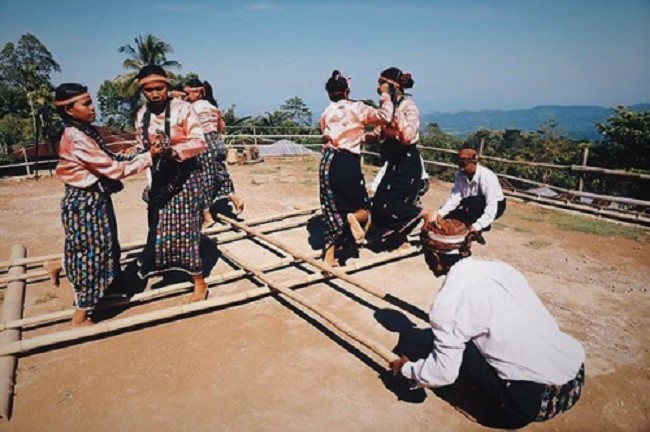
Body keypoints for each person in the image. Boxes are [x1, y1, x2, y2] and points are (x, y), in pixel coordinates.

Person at [388, 218, 585, 428]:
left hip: (533, 402)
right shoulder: (502, 270)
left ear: (435, 257)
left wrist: (407, 369)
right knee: (453, 338)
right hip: (574, 378)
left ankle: (498, 402)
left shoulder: (448, 302)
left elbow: (443, 374)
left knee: (443, 353)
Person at [47, 83, 162, 326]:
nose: (92, 108)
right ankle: (82, 314)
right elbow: (113, 169)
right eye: (86, 103)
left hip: (94, 200)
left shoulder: (86, 131)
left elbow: (111, 157)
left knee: (99, 248)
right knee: (93, 255)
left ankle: (59, 265)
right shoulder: (76, 138)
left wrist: (142, 152)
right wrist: (148, 158)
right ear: (69, 110)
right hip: (84, 203)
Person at [135, 65, 209, 303]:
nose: (155, 94)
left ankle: (199, 281)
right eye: (149, 90)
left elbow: (199, 141)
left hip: (185, 176)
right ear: (142, 91)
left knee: (187, 229)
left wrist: (173, 151)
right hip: (159, 177)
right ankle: (167, 270)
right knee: (159, 228)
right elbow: (141, 146)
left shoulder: (183, 109)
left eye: (159, 88)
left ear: (167, 86)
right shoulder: (141, 115)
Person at [319, 70, 394, 266]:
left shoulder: (326, 112)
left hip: (327, 163)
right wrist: (385, 95)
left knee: (331, 209)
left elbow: (331, 135)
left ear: (329, 94)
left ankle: (329, 257)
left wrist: (361, 136)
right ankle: (353, 218)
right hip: (347, 162)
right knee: (362, 209)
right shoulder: (357, 108)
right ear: (346, 91)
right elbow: (385, 116)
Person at [368, 67, 426, 249]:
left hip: (407, 161)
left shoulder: (408, 107)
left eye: (381, 84)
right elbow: (379, 132)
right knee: (379, 201)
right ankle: (390, 236)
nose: (379, 88)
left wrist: (394, 109)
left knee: (397, 204)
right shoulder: (388, 107)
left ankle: (421, 219)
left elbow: (407, 136)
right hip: (393, 160)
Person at [185, 78, 244, 225]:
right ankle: (233, 198)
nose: (187, 96)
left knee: (201, 179)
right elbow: (220, 127)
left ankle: (207, 217)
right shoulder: (212, 107)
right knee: (220, 173)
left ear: (197, 92)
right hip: (216, 142)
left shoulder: (191, 108)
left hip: (202, 143)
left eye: (188, 93)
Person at [433, 148, 506, 237]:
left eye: (465, 165)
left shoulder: (487, 177)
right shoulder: (460, 174)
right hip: (471, 200)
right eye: (460, 165)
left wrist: (478, 225)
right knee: (448, 215)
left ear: (474, 163)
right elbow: (455, 198)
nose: (462, 168)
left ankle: (483, 224)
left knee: (476, 203)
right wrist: (440, 213)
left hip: (495, 204)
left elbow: (491, 204)